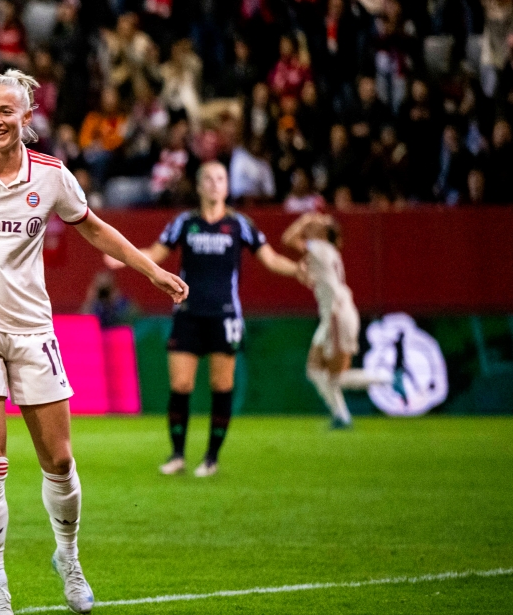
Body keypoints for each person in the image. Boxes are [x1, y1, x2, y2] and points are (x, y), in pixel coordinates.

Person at [0, 67, 187, 615]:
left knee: (58, 461)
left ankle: (68, 557)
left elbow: (94, 227)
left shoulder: (53, 176)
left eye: (5, 111)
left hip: (33, 332)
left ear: (25, 116)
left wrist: (148, 269)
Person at [108, 162, 301, 478]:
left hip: (225, 316)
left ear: (227, 186)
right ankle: (178, 455)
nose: (214, 184)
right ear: (198, 187)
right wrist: (126, 258)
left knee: (221, 385)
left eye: (220, 179)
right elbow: (157, 252)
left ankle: (211, 458)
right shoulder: (185, 222)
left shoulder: (240, 224)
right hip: (187, 314)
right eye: (208, 179)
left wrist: (297, 270)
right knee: (180, 385)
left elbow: (270, 258)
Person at [281, 213, 391, 428]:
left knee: (336, 376)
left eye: (321, 222)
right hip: (332, 314)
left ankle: (385, 377)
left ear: (324, 233)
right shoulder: (325, 251)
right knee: (314, 370)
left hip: (337, 314)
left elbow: (287, 239)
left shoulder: (319, 247)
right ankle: (342, 416)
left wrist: (305, 220)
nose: (316, 222)